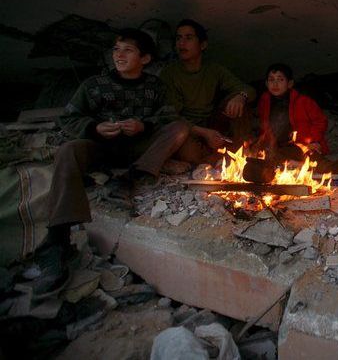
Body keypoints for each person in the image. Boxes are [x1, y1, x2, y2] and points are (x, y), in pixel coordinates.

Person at [33, 28, 189, 294]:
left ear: (145, 59)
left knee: (180, 127)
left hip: (139, 148)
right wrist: (94, 127)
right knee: (68, 150)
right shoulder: (95, 85)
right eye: (116, 50)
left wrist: (143, 125)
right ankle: (58, 241)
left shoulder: (155, 87)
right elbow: (68, 118)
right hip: (102, 147)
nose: (119, 55)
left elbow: (168, 116)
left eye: (128, 50)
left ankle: (130, 179)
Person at [160, 19, 256, 164]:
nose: (182, 43)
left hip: (211, 124)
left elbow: (248, 89)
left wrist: (241, 96)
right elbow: (172, 118)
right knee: (189, 153)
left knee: (239, 101)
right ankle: (213, 158)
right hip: (187, 129)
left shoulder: (213, 69)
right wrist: (205, 134)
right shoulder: (169, 73)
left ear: (203, 45)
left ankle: (240, 152)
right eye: (178, 38)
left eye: (188, 38)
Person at [255, 63, 328, 160]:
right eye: (271, 80)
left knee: (320, 164)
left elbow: (320, 121)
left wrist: (315, 141)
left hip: (302, 146)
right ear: (266, 83)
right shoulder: (265, 100)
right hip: (276, 146)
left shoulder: (303, 101)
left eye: (280, 79)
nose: (275, 84)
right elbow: (263, 123)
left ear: (290, 83)